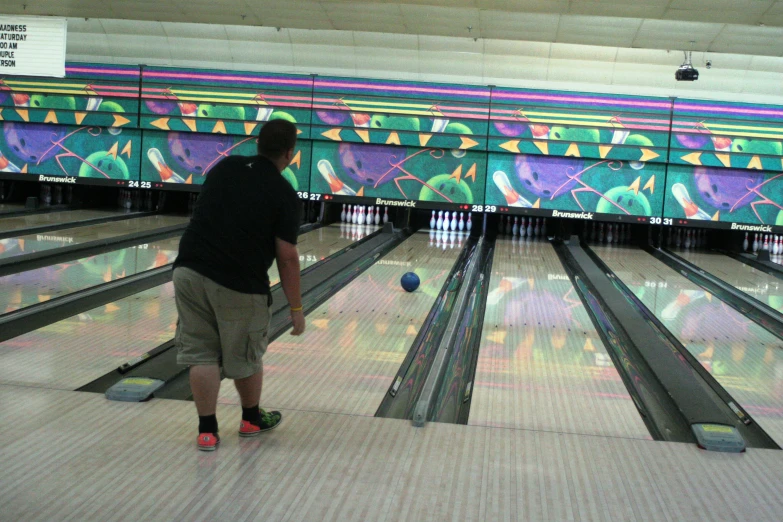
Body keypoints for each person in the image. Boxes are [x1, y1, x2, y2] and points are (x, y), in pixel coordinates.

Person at [172, 119, 305, 451]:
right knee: (246, 355)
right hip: (238, 283)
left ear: (257, 143)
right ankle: (250, 419)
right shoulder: (284, 193)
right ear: (290, 153)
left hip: (188, 269)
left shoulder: (225, 167)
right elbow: (287, 256)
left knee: (201, 353)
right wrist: (297, 308)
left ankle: (207, 431)